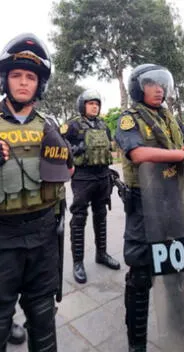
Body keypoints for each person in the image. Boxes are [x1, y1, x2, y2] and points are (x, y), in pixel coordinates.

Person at [113, 63, 184, 351]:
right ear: (138, 88)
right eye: (152, 84)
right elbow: (138, 153)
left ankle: (182, 320)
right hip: (144, 204)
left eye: (162, 84)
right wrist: (183, 154)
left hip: (174, 200)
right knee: (141, 273)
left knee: (177, 262)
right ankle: (137, 343)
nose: (159, 89)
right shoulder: (128, 119)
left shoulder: (170, 117)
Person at [0, 33, 74, 351]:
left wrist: (68, 159)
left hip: (44, 235)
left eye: (30, 77)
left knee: (43, 316)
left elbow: (67, 173)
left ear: (39, 84)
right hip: (2, 238)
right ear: (5, 79)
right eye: (16, 75)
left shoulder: (50, 125)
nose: (23, 82)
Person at [61, 89, 120, 284]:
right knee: (79, 217)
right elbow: (60, 145)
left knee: (101, 214)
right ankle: (78, 262)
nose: (95, 106)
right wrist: (75, 149)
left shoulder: (103, 125)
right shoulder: (72, 125)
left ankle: (101, 254)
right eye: (90, 103)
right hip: (83, 177)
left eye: (97, 103)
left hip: (102, 175)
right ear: (82, 105)